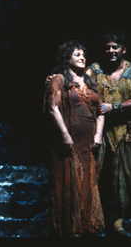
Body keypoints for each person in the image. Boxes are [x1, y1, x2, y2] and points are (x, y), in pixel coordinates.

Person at [85, 31, 131, 237]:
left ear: (123, 49)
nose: (111, 50)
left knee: (124, 176)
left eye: (115, 47)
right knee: (95, 173)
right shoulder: (96, 69)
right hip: (98, 131)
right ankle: (94, 221)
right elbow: (77, 79)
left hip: (125, 132)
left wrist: (115, 107)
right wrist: (57, 78)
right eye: (107, 47)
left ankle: (118, 223)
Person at [43, 40, 105, 237]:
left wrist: (98, 134)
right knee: (69, 181)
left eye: (83, 54)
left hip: (89, 141)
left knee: (88, 181)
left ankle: (88, 225)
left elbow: (101, 110)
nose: (82, 57)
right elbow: (53, 108)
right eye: (77, 54)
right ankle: (71, 227)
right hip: (70, 139)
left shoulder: (89, 81)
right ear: (66, 57)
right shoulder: (59, 79)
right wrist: (64, 135)